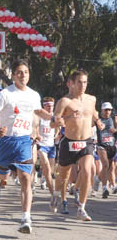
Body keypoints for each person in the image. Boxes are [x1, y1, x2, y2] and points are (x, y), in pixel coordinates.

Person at [0, 59, 52, 234]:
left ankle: (26, 218)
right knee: (1, 175)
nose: (23, 75)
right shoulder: (5, 94)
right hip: (6, 141)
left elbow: (38, 111)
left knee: (26, 177)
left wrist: (52, 118)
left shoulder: (33, 95)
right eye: (19, 72)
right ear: (13, 75)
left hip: (24, 140)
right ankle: (2, 178)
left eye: (26, 72)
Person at [51, 69, 104, 222]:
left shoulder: (91, 99)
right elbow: (53, 122)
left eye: (85, 82)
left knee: (88, 172)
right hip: (69, 142)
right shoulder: (65, 101)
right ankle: (56, 195)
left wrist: (98, 121)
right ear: (72, 84)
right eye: (79, 82)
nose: (83, 85)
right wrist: (63, 119)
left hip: (86, 142)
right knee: (62, 177)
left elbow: (93, 112)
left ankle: (81, 208)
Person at [35, 97, 59, 210]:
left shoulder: (55, 116)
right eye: (48, 105)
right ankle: (53, 193)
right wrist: (36, 135)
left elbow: (58, 127)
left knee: (50, 170)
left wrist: (56, 135)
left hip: (51, 146)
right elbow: (34, 127)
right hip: (41, 146)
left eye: (51, 105)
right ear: (44, 106)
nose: (50, 107)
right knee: (47, 168)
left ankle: (44, 179)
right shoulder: (40, 116)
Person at [95, 102, 117, 198]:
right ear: (102, 110)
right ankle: (104, 189)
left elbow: (113, 131)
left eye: (109, 110)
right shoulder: (98, 120)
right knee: (105, 165)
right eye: (106, 109)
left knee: (109, 168)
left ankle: (97, 179)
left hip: (111, 146)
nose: (108, 111)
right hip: (101, 146)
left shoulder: (112, 120)